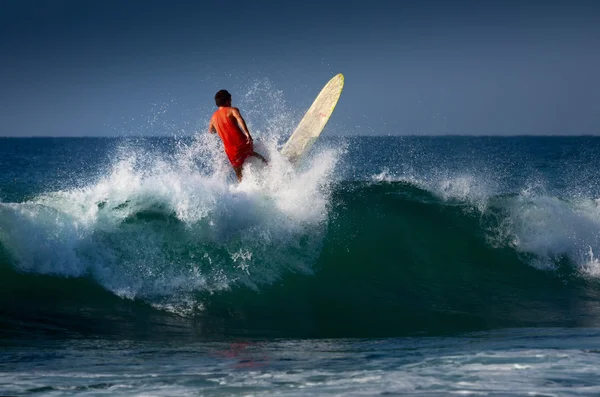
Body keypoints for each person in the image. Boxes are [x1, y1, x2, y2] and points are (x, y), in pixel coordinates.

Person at [208, 90, 268, 181]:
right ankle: (269, 166)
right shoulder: (232, 110)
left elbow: (211, 131)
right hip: (241, 142)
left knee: (238, 172)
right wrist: (247, 133)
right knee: (253, 153)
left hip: (230, 150)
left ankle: (243, 187)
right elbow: (240, 120)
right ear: (227, 101)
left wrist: (221, 127)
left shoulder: (213, 117)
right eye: (230, 100)